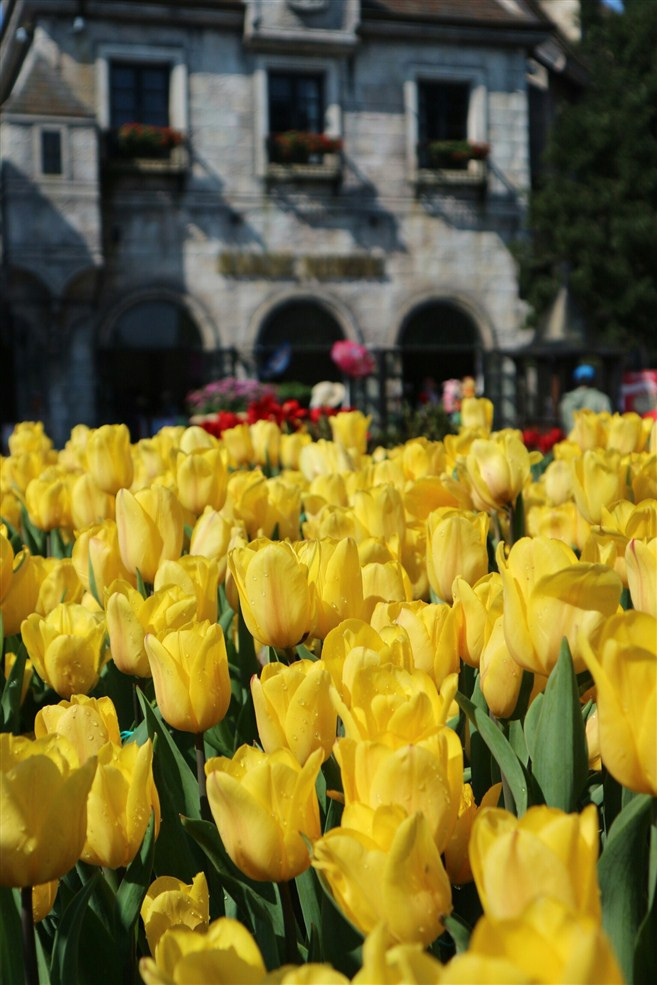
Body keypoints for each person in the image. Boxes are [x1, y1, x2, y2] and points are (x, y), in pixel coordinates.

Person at [559, 364, 612, 433]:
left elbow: (564, 423)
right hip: (596, 443)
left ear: (576, 380)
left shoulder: (567, 400)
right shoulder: (602, 399)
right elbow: (607, 423)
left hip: (571, 442)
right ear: (593, 380)